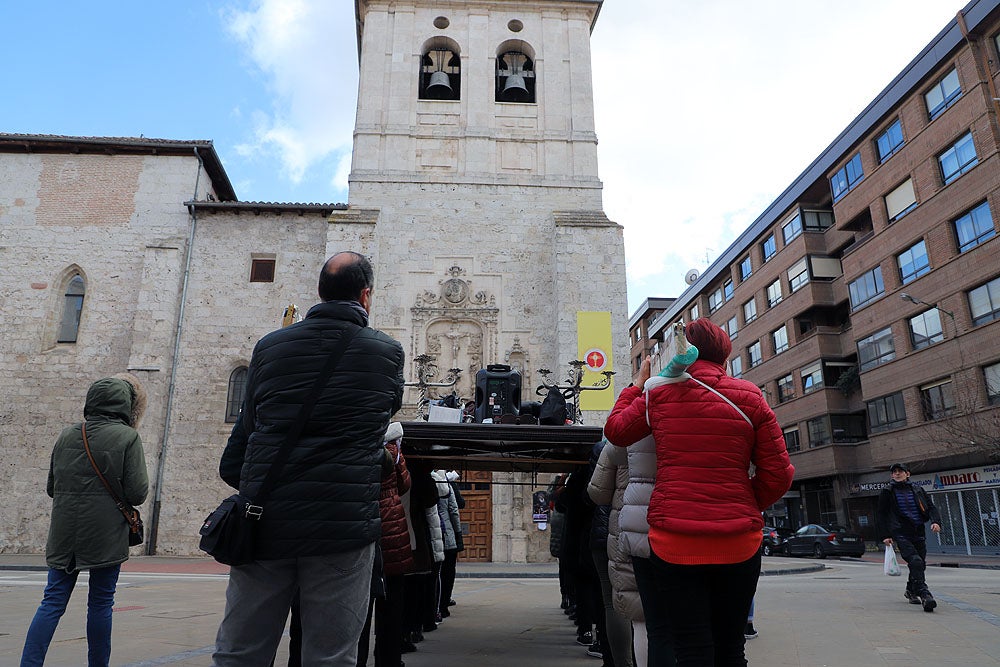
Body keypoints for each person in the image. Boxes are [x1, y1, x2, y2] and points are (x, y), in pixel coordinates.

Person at [213, 251, 405, 666]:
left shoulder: (270, 346)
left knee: (240, 652)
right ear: (366, 296)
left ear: (319, 291)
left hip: (266, 518)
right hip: (342, 524)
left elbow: (247, 432)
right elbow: (385, 414)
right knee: (331, 657)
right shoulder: (386, 353)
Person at [604, 318, 794, 667]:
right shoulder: (750, 397)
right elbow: (779, 473)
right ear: (724, 354)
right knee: (731, 646)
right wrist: (745, 503)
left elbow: (616, 431)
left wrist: (636, 386)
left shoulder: (657, 395)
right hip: (738, 540)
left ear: (680, 353)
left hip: (675, 541)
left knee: (691, 647)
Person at [21, 374, 149, 667]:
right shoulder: (128, 437)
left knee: (52, 601)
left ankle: (29, 663)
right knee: (101, 603)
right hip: (105, 535)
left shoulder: (67, 434)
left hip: (65, 533)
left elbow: (52, 487)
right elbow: (138, 493)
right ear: (127, 406)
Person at [357, 422, 414, 667]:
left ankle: (356, 660)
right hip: (392, 526)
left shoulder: (356, 447)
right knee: (391, 604)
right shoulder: (394, 452)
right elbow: (405, 485)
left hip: (362, 523)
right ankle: (388, 659)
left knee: (357, 606)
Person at [877, 462, 942, 612]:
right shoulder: (887, 491)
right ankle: (924, 594)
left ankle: (911, 590)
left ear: (908, 474)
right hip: (901, 532)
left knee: (919, 564)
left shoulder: (918, 489)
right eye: (894, 472)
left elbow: (931, 507)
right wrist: (885, 535)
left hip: (918, 531)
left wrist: (935, 521)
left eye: (900, 471)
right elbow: (881, 514)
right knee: (915, 560)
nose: (897, 474)